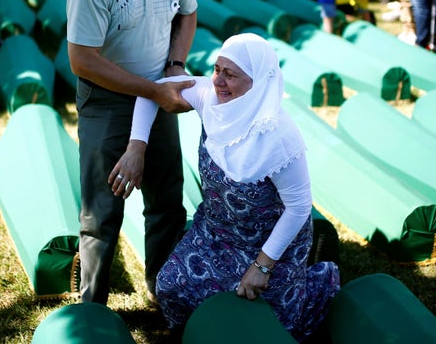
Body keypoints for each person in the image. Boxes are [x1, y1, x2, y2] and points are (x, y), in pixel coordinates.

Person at [112, 32, 340, 341]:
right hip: (216, 232)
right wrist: (137, 146)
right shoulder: (211, 96)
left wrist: (263, 266)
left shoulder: (279, 136)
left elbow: (299, 207)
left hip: (270, 245)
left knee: (266, 322)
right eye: (217, 69)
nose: (218, 80)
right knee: (170, 285)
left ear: (255, 82)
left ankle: (315, 283)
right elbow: (155, 91)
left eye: (230, 75)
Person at [66, 0, 198, 306]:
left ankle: (166, 295)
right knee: (102, 211)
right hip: (106, 99)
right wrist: (152, 91)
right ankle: (92, 310)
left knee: (167, 203)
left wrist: (175, 67)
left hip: (157, 92)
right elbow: (82, 60)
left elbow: (188, 16)